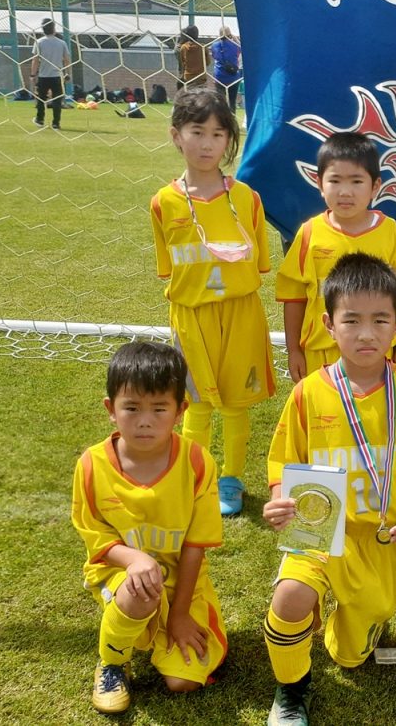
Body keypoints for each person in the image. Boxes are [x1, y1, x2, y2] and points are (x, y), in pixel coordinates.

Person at [262, 253, 396, 726]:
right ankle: (291, 690)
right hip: (318, 529)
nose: (367, 333)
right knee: (291, 598)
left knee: (352, 654)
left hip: (379, 536)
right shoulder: (309, 394)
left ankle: (349, 621)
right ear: (328, 324)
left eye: (381, 319)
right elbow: (284, 460)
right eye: (352, 320)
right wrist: (282, 496)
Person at [70, 341, 228, 715]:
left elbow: (195, 544)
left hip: (180, 578)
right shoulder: (92, 465)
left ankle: (157, 625)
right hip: (120, 573)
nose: (145, 420)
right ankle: (112, 660)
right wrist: (134, 559)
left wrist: (180, 613)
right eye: (132, 408)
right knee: (141, 587)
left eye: (159, 408)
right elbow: (94, 535)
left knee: (182, 681)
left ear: (180, 411)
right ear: (111, 409)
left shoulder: (196, 462)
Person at [150, 87, 276, 516]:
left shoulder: (247, 199)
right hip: (191, 316)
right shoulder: (163, 202)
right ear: (176, 135)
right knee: (197, 402)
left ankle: (231, 479)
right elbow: (169, 267)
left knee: (235, 403)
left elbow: (258, 263)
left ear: (229, 141)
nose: (207, 143)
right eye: (197, 131)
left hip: (240, 313)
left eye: (218, 134)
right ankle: (194, 477)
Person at [277, 132, 396, 382]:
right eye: (335, 181)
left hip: (375, 348)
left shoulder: (391, 233)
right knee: (325, 418)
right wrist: (293, 350)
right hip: (320, 352)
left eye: (356, 181)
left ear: (375, 186)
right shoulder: (310, 233)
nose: (345, 192)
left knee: (374, 416)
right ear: (320, 184)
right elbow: (295, 298)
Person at [30, 17, 70, 129]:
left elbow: (35, 60)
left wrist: (33, 75)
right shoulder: (61, 43)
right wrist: (67, 73)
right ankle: (56, 123)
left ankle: (40, 120)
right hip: (57, 76)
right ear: (54, 29)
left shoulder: (39, 42)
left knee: (41, 99)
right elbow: (67, 59)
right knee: (57, 100)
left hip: (44, 76)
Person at [210, 26, 242, 112]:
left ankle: (222, 120)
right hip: (233, 77)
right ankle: (233, 120)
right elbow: (240, 49)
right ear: (230, 34)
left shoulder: (215, 45)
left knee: (220, 101)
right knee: (232, 101)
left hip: (219, 76)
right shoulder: (235, 45)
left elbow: (215, 56)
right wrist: (234, 38)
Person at [177, 25, 210, 89]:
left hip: (188, 78)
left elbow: (182, 63)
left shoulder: (183, 47)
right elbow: (208, 62)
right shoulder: (203, 47)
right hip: (201, 78)